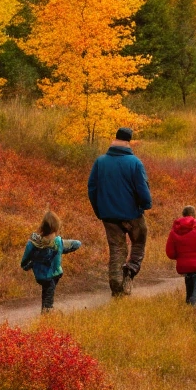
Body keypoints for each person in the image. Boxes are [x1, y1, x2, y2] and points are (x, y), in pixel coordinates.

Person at [87, 126, 153, 296]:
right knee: (139, 241)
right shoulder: (135, 163)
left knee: (117, 249)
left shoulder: (100, 162)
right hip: (132, 215)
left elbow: (92, 188)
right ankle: (130, 271)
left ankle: (116, 286)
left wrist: (99, 210)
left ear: (114, 140)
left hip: (109, 216)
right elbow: (142, 189)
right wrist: (145, 205)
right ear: (128, 142)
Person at [19, 210, 84, 312]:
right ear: (56, 227)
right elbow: (76, 244)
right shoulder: (58, 242)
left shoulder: (33, 243)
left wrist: (30, 265)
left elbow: (24, 263)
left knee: (46, 293)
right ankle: (47, 318)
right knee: (48, 300)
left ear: (42, 226)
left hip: (40, 276)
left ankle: (44, 315)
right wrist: (77, 243)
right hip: (54, 275)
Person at [164, 205, 196, 305]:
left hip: (183, 266)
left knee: (189, 289)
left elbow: (170, 252)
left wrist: (180, 256)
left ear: (183, 214)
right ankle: (193, 305)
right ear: (194, 215)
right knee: (195, 293)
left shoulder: (174, 231)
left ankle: (188, 306)